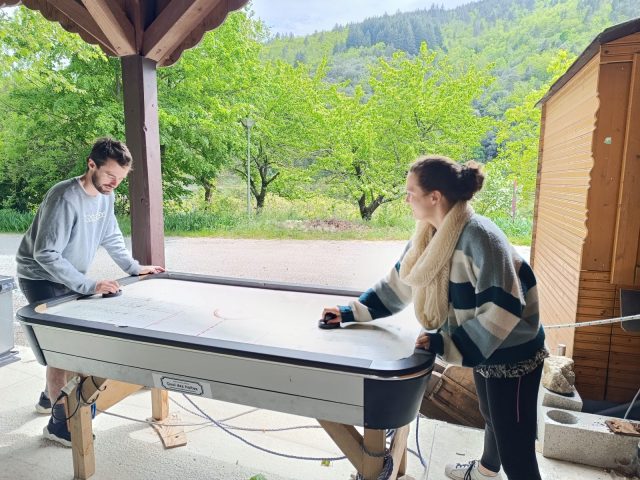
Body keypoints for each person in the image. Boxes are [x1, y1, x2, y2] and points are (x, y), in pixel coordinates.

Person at [321, 155, 546, 480]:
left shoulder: (481, 237)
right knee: (490, 416)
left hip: (514, 352)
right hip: (485, 348)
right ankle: (485, 471)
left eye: (411, 191)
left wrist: (446, 342)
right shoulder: (427, 234)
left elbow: (504, 308)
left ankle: (500, 467)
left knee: (516, 446)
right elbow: (397, 284)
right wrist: (347, 312)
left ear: (434, 197)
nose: (406, 198)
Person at [16, 137, 165, 446]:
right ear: (91, 164)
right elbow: (46, 254)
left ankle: (49, 398)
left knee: (71, 345)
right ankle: (60, 426)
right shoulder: (63, 197)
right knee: (63, 349)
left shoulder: (105, 195)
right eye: (110, 175)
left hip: (68, 276)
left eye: (121, 179)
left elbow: (111, 235)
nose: (115, 183)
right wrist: (88, 285)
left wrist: (134, 267)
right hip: (40, 277)